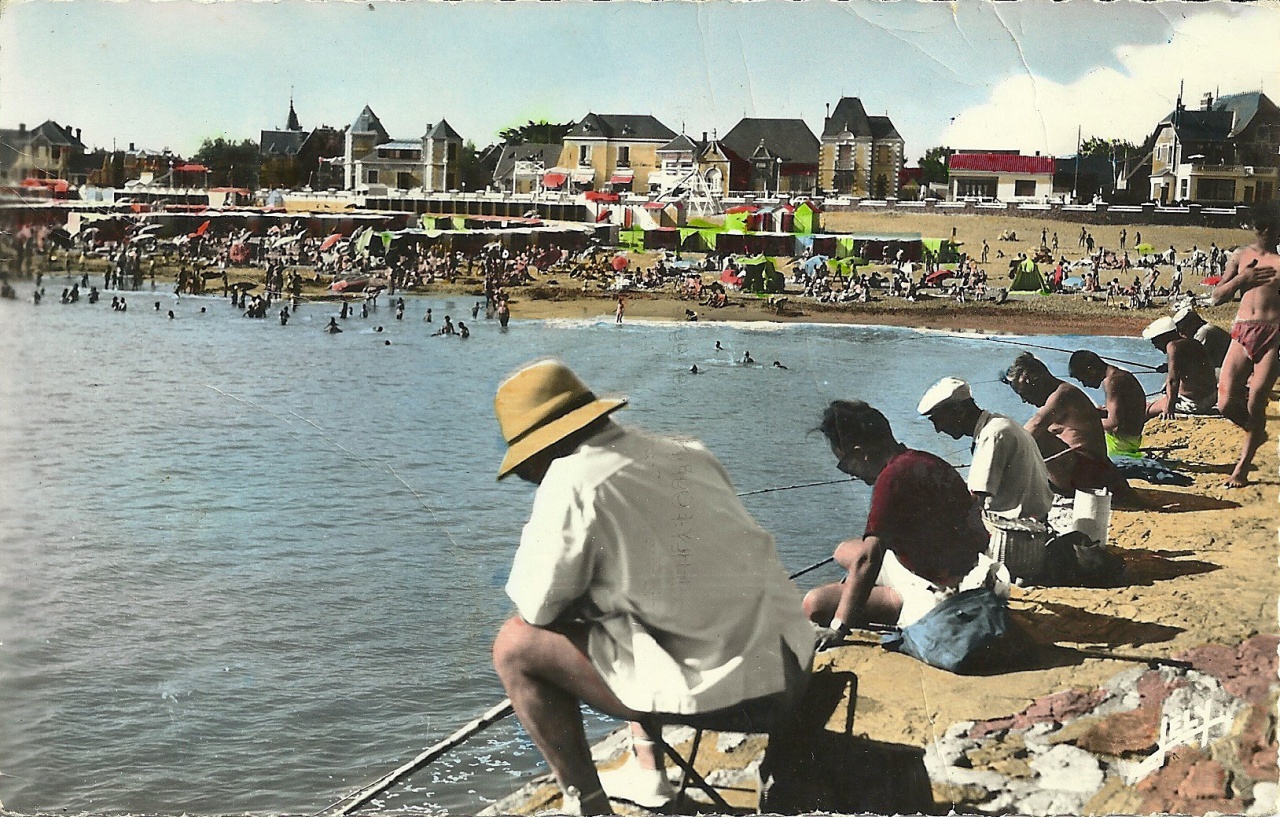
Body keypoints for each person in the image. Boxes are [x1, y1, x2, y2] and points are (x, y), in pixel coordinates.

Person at [491, 360, 814, 814]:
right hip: (794, 668)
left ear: (543, 447)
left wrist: (583, 590)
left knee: (513, 646)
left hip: (742, 698)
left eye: (527, 464)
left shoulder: (570, 481)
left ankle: (587, 804)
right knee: (631, 599)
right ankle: (650, 774)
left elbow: (535, 608)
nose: (529, 476)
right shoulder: (688, 451)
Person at [801, 399, 1007, 635]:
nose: (850, 475)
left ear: (860, 454)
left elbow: (869, 559)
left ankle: (890, 602)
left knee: (815, 603)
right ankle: (862, 589)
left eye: (845, 466)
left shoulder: (891, 479)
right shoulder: (923, 460)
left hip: (936, 595)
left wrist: (839, 627)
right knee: (843, 550)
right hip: (965, 571)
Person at [1211, 200, 1280, 487]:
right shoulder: (1241, 256)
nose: (1263, 231)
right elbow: (1216, 297)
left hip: (1273, 334)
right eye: (1259, 226)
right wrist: (1243, 278)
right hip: (1242, 330)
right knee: (1225, 403)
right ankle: (1256, 432)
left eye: (1269, 227)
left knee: (1256, 402)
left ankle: (1242, 468)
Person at [917, 377, 1052, 524]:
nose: (938, 429)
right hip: (1033, 517)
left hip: (1016, 525)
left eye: (938, 420)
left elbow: (975, 500)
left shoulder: (992, 435)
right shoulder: (999, 424)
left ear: (959, 411)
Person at [1003, 352, 1130, 498]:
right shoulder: (1062, 394)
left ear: (1033, 381)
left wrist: (999, 452)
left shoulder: (1063, 394)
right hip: (1082, 470)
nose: (1024, 400)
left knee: (1034, 438)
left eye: (1022, 393)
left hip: (1089, 473)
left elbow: (1034, 426)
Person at [1067, 350, 1148, 458]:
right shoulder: (1123, 375)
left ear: (1091, 370)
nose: (1084, 385)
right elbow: (1124, 413)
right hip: (1132, 440)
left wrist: (1085, 422)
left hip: (1120, 444)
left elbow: (1114, 424)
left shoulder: (1111, 381)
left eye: (1082, 379)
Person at [1142, 317, 1218, 419]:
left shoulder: (1172, 346)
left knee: (1146, 409)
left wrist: (1169, 408)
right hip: (1211, 398)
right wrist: (1167, 367)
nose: (1155, 346)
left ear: (1164, 336)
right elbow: (1191, 366)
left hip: (1194, 404)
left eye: (1155, 341)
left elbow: (1173, 381)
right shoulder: (1193, 342)